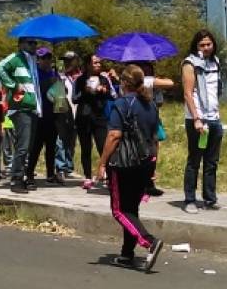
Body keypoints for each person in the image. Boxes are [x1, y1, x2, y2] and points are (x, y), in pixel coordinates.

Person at [97, 65, 163, 272]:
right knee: (131, 209)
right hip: (145, 163)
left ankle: (149, 241)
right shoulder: (150, 104)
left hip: (123, 164)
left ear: (124, 83)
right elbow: (155, 138)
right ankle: (126, 254)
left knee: (119, 210)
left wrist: (102, 163)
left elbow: (114, 135)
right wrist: (153, 165)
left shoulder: (122, 104)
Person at [182, 30, 223, 213]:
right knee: (195, 160)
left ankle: (210, 199)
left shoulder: (215, 62)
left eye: (209, 44)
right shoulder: (189, 63)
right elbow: (188, 93)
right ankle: (190, 200)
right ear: (196, 46)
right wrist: (197, 118)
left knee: (212, 161)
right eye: (202, 45)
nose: (206, 48)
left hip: (214, 117)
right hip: (198, 119)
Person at [0, 37, 42, 194]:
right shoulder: (16, 57)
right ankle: (16, 179)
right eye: (30, 42)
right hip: (21, 108)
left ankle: (25, 177)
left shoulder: (33, 60)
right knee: (23, 146)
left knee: (29, 146)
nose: (33, 45)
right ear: (21, 44)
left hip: (33, 107)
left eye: (35, 43)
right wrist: (13, 85)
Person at [73, 54, 115, 190]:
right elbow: (74, 98)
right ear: (88, 65)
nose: (98, 65)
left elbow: (111, 96)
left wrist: (104, 90)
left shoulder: (104, 79)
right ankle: (87, 177)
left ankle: (108, 176)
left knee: (103, 147)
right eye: (95, 62)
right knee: (86, 147)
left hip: (100, 117)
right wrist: (86, 91)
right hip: (84, 117)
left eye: (99, 62)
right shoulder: (80, 79)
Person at [27, 47, 63, 187]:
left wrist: (60, 87)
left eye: (49, 57)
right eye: (43, 58)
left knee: (51, 146)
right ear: (38, 59)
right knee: (35, 147)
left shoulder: (55, 74)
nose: (46, 60)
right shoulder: (34, 74)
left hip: (52, 115)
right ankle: (29, 174)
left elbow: (60, 95)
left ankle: (50, 174)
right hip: (38, 115)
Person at [138, 61, 174, 197]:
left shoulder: (140, 82)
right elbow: (170, 83)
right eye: (144, 69)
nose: (147, 71)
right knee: (146, 152)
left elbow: (159, 101)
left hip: (151, 119)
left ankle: (148, 183)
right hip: (143, 121)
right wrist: (155, 80)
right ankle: (144, 184)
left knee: (152, 152)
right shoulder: (146, 81)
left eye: (149, 69)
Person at [55, 51, 80, 178]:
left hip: (76, 112)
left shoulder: (80, 77)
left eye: (70, 60)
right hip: (63, 112)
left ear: (76, 61)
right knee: (60, 140)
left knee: (71, 141)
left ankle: (69, 167)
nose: (67, 63)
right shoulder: (60, 75)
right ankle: (60, 167)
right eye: (65, 60)